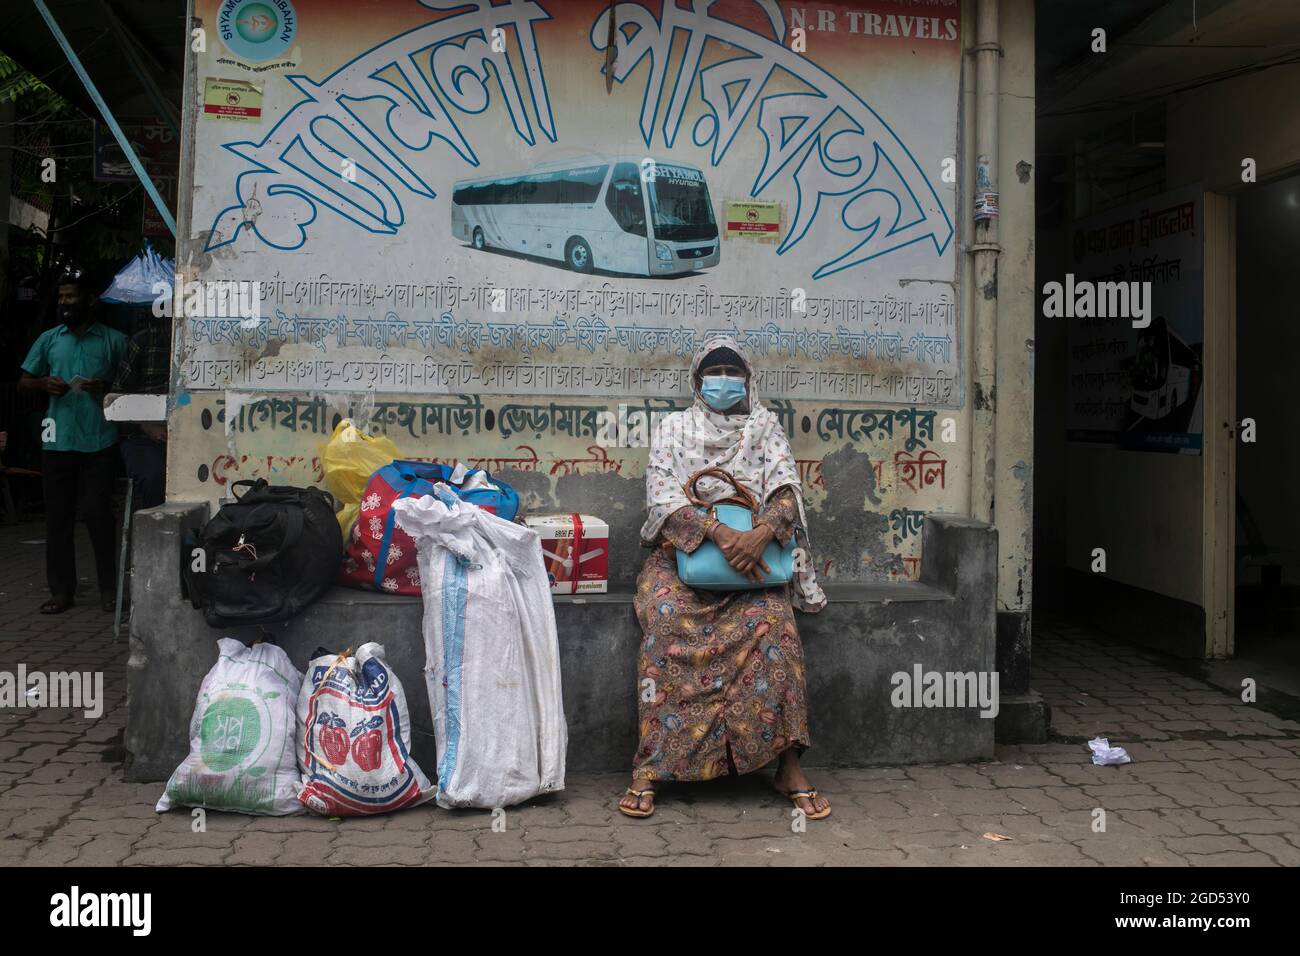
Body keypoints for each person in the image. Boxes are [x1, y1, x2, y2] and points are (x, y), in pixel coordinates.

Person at [618, 336, 831, 820]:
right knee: (665, 623)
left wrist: (759, 535)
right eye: (714, 374)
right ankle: (650, 768)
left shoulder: (765, 426)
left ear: (748, 380)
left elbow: (785, 487)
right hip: (682, 562)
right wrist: (716, 532)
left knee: (777, 626)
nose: (723, 382)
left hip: (752, 565)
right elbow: (661, 496)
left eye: (733, 374)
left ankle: (788, 766)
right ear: (697, 383)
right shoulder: (673, 428)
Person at [18, 274, 128, 614]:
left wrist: (106, 386)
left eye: (71, 296)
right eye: (61, 296)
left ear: (89, 301)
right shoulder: (49, 340)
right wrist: (42, 384)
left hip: (99, 439)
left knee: (97, 513)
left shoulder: (114, 341)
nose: (65, 302)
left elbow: (131, 384)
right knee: (58, 519)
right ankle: (62, 592)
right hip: (57, 440)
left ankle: (110, 590)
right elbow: (23, 382)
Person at [112, 313, 172, 509]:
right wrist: (146, 425)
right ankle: (156, 530)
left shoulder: (205, 343)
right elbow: (118, 398)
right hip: (143, 436)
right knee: (154, 476)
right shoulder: (144, 340)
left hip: (190, 433)